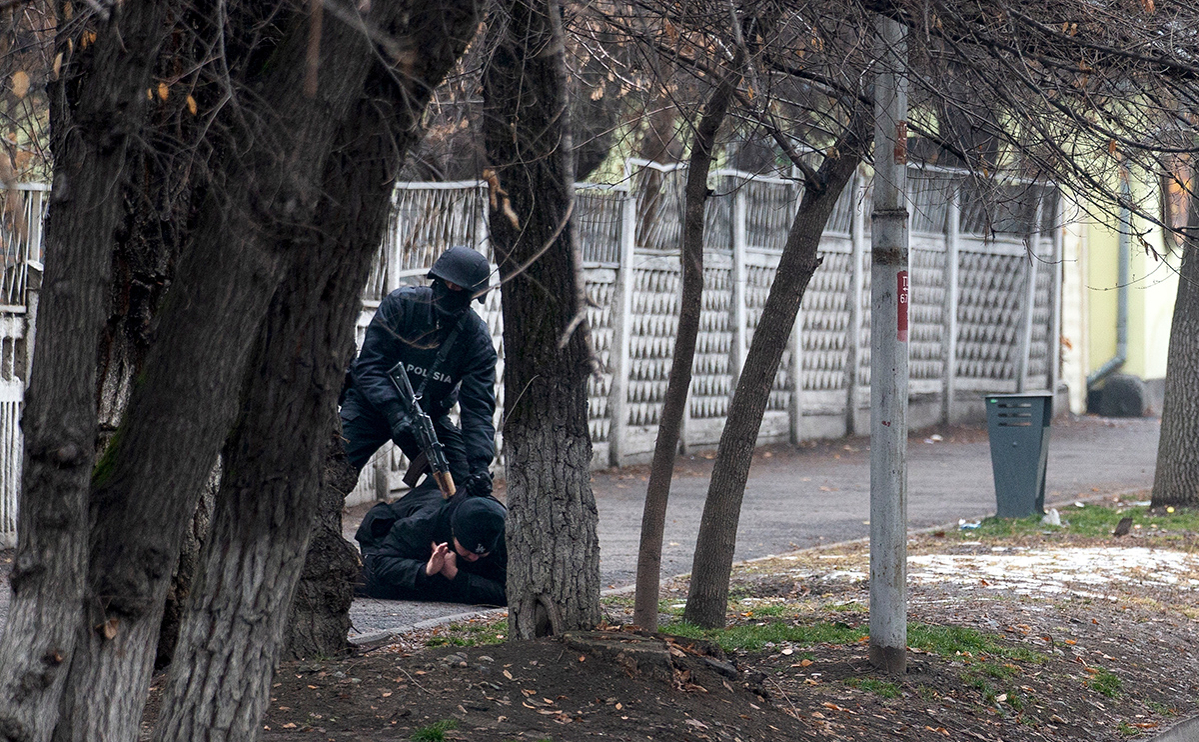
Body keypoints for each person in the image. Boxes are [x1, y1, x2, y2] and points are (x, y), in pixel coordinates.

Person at [340, 245, 497, 498]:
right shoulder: (401, 305)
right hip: (370, 407)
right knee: (332, 471)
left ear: (472, 295)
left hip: (427, 418)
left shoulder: (475, 339)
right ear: (436, 280)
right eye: (447, 284)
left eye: (460, 289)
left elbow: (478, 406)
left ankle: (416, 527)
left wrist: (479, 465)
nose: (451, 292)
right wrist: (394, 411)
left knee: (463, 484)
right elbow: (369, 366)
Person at [355, 479, 507, 605]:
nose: (473, 557)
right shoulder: (421, 524)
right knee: (376, 585)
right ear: (454, 533)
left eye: (482, 554)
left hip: (449, 565)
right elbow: (382, 564)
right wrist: (425, 570)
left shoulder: (504, 533)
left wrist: (454, 574)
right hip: (388, 540)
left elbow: (509, 592)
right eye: (467, 550)